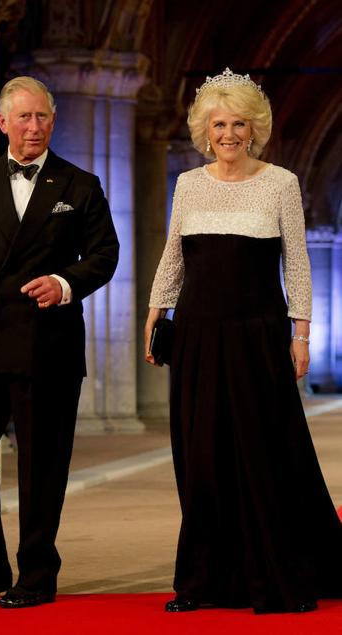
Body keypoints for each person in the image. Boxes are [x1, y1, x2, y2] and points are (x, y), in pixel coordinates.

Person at [145, 68, 342, 614]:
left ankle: (277, 573)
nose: (228, 134)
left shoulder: (281, 182)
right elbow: (174, 255)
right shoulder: (188, 184)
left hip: (258, 334)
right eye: (218, 124)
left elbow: (297, 263)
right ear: (204, 131)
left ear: (254, 128)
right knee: (201, 455)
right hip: (198, 335)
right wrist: (156, 310)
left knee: (264, 453)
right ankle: (201, 581)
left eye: (238, 124)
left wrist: (301, 332)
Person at [0, 76, 119, 608]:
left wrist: (64, 284)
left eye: (42, 118)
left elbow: (105, 255)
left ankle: (36, 574)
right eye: (23, 118)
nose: (33, 127)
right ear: (2, 123)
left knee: (42, 463)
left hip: (48, 346)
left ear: (52, 122)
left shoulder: (80, 185)